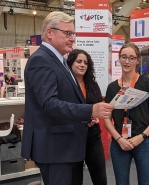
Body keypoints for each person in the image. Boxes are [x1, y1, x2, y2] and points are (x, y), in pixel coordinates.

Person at [21, 11, 113, 185]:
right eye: (67, 33)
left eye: (73, 34)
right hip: (55, 149)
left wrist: (85, 118)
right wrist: (90, 109)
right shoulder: (41, 60)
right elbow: (49, 104)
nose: (72, 38)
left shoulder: (58, 61)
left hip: (64, 147)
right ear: (50, 33)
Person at [104, 43, 149, 185]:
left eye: (131, 58)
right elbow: (106, 119)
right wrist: (119, 139)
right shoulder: (112, 87)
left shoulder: (146, 83)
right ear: (119, 59)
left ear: (137, 60)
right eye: (124, 57)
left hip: (143, 142)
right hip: (119, 144)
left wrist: (142, 137)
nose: (127, 61)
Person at [67, 49, 107, 185]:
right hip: (72, 138)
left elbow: (98, 106)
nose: (82, 65)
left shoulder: (92, 85)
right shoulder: (65, 86)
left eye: (85, 62)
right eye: (79, 61)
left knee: (101, 179)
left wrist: (96, 117)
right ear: (71, 63)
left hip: (93, 137)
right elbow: (64, 110)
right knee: (75, 180)